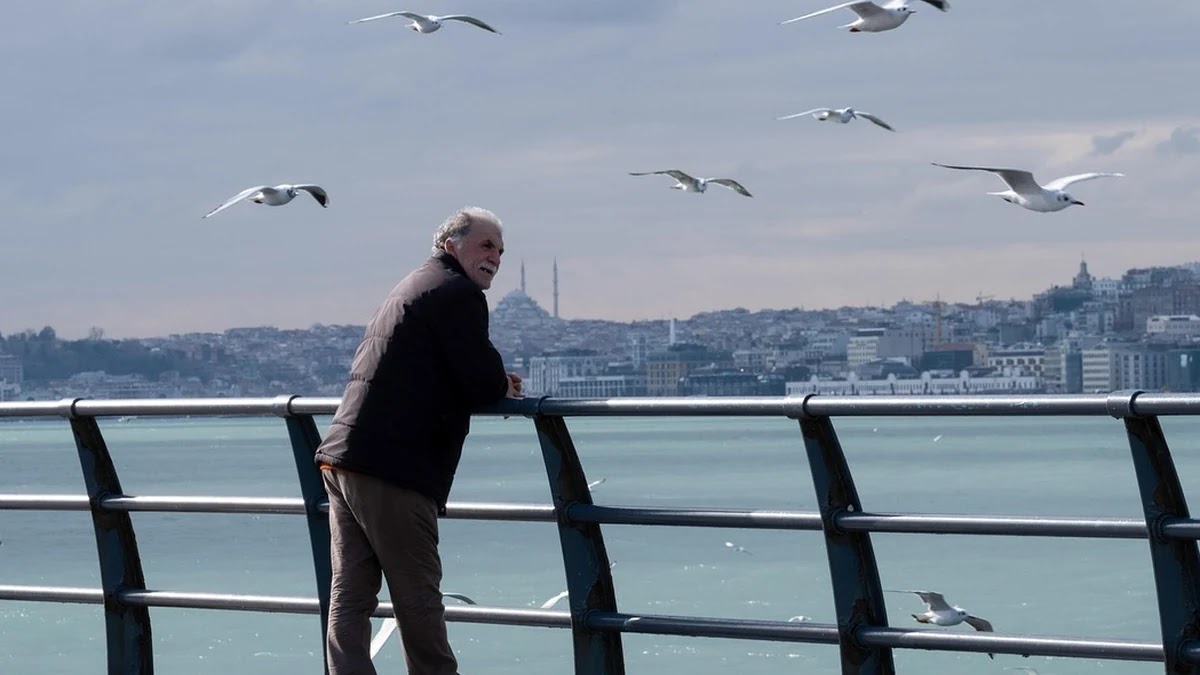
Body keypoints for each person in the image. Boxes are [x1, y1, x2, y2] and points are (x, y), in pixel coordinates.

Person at [314, 206, 523, 674]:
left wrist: (489, 379)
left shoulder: (413, 285)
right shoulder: (457, 292)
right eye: (486, 245)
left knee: (350, 594)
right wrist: (502, 385)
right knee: (418, 596)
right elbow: (478, 376)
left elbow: (434, 365)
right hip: (393, 465)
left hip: (344, 455)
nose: (496, 257)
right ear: (453, 246)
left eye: (501, 250)